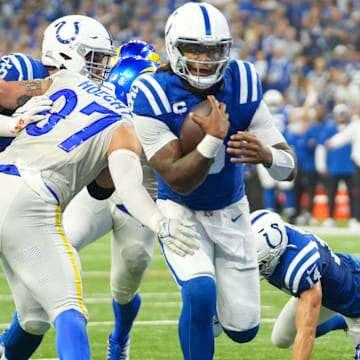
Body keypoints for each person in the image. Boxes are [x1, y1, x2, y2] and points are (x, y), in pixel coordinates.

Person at [0, 15, 199, 360]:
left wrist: (11, 122)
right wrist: (159, 222)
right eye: (95, 58)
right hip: (31, 205)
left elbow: (6, 88)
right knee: (68, 311)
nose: (101, 66)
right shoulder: (123, 122)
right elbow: (117, 185)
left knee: (34, 318)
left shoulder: (53, 80)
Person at [130, 3, 297, 359]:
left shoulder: (245, 82)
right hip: (180, 210)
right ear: (174, 47)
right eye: (195, 49)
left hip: (231, 210)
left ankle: (215, 318)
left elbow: (290, 168)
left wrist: (267, 156)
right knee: (199, 292)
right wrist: (211, 140)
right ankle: (201, 315)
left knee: (244, 331)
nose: (206, 59)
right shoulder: (152, 93)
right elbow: (177, 180)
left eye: (215, 50)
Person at [250, 209, 360, 360]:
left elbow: (306, 332)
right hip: (326, 287)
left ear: (274, 254)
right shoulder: (273, 233)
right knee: (280, 338)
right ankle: (341, 320)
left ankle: (347, 318)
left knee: (306, 326)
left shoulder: (300, 267)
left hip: (355, 299)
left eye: (259, 265)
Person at [315, 103, 355, 227]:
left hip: (350, 167)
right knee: (331, 193)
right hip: (333, 167)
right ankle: (330, 217)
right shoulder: (328, 129)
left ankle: (354, 218)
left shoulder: (353, 127)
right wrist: (321, 165)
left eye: (343, 114)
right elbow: (321, 147)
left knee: (353, 194)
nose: (341, 116)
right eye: (339, 114)